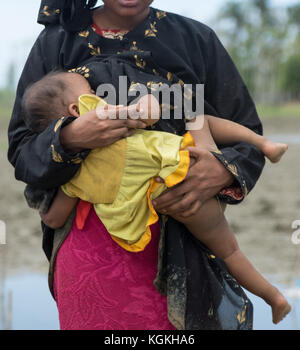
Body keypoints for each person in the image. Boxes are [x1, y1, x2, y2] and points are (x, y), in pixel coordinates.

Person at [7, 0, 272, 330]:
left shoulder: (194, 40)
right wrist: (73, 137)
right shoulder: (57, 44)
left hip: (181, 242)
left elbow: (246, 135)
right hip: (88, 244)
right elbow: (21, 149)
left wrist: (221, 172)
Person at [21, 69, 290, 324]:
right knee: (199, 118)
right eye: (91, 90)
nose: (99, 94)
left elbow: (55, 218)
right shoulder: (108, 118)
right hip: (190, 171)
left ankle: (273, 297)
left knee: (230, 252)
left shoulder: (77, 175)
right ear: (78, 110)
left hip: (170, 201)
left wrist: (40, 202)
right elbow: (149, 112)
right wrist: (146, 100)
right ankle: (264, 144)